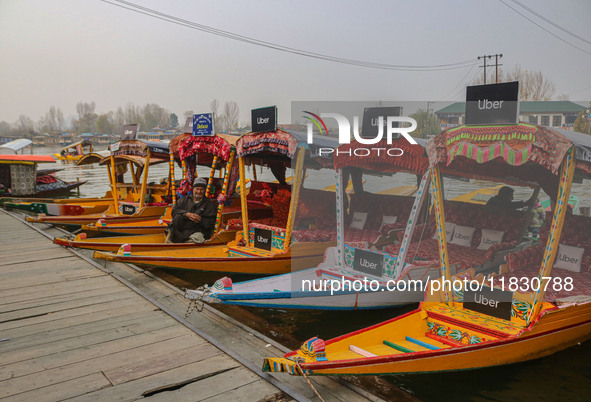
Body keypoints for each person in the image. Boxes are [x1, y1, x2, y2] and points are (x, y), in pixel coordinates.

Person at [165, 177, 217, 243]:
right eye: (197, 189)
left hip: (196, 230)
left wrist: (200, 220)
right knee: (177, 219)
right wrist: (186, 214)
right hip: (181, 229)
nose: (199, 192)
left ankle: (182, 242)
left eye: (201, 189)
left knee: (198, 237)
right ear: (193, 189)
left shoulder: (209, 204)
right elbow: (174, 211)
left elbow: (211, 223)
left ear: (204, 190)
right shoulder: (184, 200)